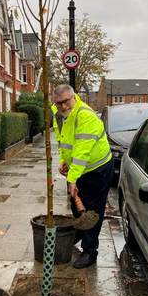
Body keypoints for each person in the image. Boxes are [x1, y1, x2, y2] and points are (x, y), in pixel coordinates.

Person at [52, 84, 114, 268]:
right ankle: (78, 234)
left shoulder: (85, 115)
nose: (63, 106)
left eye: (66, 101)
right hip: (80, 168)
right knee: (76, 204)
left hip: (97, 169)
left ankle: (90, 251)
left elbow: (82, 151)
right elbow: (63, 140)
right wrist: (65, 161)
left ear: (74, 97)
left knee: (91, 211)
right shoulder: (58, 115)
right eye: (58, 103)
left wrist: (72, 178)